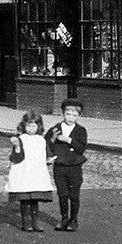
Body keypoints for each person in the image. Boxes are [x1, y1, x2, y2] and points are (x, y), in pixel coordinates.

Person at [7, 111, 55, 233]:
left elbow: (47, 154)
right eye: (28, 125)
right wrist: (17, 146)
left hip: (36, 173)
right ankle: (26, 223)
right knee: (25, 199)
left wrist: (49, 159)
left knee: (34, 200)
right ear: (24, 126)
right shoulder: (21, 139)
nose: (31, 128)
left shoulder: (41, 140)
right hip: (24, 172)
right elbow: (16, 157)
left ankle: (35, 223)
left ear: (39, 127)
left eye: (33, 126)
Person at [45, 98, 88, 232]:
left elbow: (81, 148)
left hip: (74, 167)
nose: (71, 118)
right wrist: (52, 142)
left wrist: (69, 140)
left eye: (74, 115)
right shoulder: (55, 129)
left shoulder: (80, 130)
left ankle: (73, 220)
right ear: (63, 114)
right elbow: (46, 144)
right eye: (68, 114)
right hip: (60, 166)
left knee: (74, 195)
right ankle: (64, 218)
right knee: (62, 193)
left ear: (79, 116)